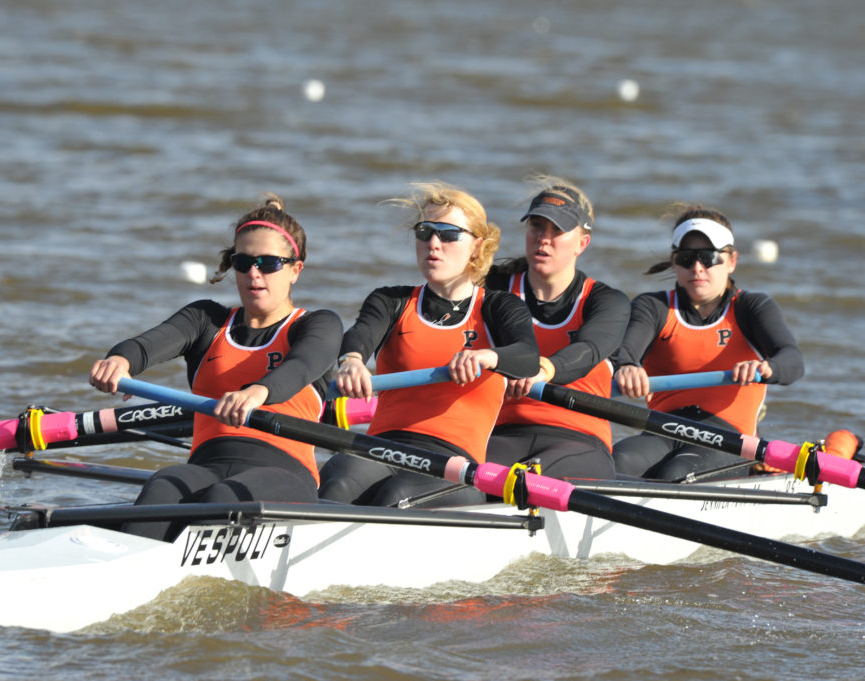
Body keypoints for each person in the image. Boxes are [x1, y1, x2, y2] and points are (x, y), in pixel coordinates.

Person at [89, 195, 343, 540]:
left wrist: (258, 392)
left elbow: (301, 366)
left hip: (285, 473)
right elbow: (143, 346)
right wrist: (119, 360)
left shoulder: (317, 325)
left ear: (295, 269)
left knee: (223, 499)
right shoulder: (206, 320)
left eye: (269, 264)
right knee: (161, 486)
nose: (254, 273)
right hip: (206, 464)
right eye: (243, 262)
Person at [318, 182, 541, 507]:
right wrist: (351, 361)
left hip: (454, 463)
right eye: (424, 231)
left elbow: (527, 358)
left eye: (448, 234)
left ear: (477, 246)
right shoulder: (390, 301)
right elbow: (360, 335)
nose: (433, 243)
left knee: (395, 498)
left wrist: (487, 357)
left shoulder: (499, 308)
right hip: (380, 447)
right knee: (336, 478)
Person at [611, 205, 804, 480]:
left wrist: (765, 368)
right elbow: (622, 354)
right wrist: (627, 366)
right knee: (615, 462)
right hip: (663, 429)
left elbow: (793, 361)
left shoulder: (751, 307)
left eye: (709, 257)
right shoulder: (652, 307)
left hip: (729, 438)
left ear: (731, 261)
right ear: (674, 261)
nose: (697, 268)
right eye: (686, 258)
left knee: (675, 474)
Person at [484, 179, 629, 480]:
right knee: (453, 478)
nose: (543, 239)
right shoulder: (491, 288)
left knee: (522, 479)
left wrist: (543, 370)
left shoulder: (606, 302)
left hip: (578, 440)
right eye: (537, 226)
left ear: (582, 243)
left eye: (557, 231)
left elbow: (588, 351)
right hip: (501, 434)